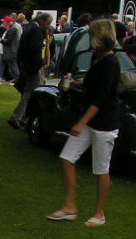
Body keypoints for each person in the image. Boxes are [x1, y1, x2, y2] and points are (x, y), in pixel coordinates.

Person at [46, 19, 120, 227]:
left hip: (104, 123)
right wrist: (75, 83)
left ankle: (99, 213)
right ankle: (70, 206)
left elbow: (101, 98)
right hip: (90, 119)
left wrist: (81, 123)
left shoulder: (111, 63)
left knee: (101, 168)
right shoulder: (98, 58)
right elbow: (92, 85)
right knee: (67, 157)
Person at [8, 12, 51, 128]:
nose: (48, 26)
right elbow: (34, 50)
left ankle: (23, 116)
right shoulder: (36, 31)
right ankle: (18, 117)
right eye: (47, 23)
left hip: (26, 65)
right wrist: (39, 65)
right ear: (41, 20)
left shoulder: (29, 28)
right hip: (32, 66)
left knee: (29, 91)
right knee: (31, 92)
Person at [0, 16, 20, 82]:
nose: (3, 23)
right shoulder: (9, 30)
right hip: (4, 51)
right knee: (1, 65)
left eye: (4, 22)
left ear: (7, 23)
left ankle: (18, 78)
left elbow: (8, 41)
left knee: (13, 66)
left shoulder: (13, 30)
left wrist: (1, 40)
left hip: (10, 52)